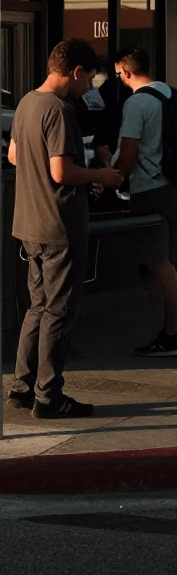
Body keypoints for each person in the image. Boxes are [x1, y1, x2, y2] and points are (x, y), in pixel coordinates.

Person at [7, 40, 123, 418]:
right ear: (75, 72)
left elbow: (14, 154)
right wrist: (101, 175)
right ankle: (49, 396)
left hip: (29, 221)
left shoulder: (27, 102)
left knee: (37, 308)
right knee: (59, 312)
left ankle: (21, 386)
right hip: (59, 224)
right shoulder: (59, 110)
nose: (90, 86)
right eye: (89, 78)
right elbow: (61, 171)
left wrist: (59, 177)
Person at [111, 46, 177, 356]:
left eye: (117, 74)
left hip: (150, 190)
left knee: (159, 263)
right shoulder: (171, 95)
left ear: (125, 71)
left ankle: (172, 334)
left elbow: (127, 155)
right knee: (171, 261)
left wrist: (111, 177)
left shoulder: (136, 103)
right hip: (173, 185)